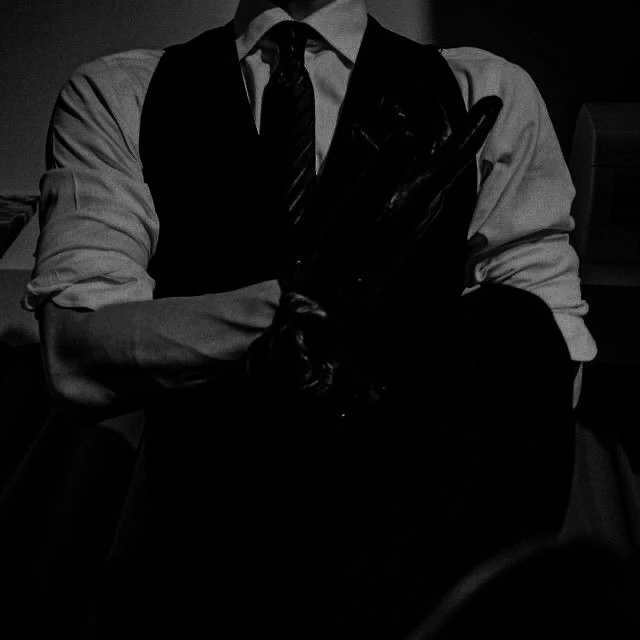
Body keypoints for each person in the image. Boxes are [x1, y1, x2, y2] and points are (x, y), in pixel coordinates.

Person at [23, 0, 597, 637]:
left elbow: (541, 367)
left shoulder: (485, 89)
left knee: (515, 325)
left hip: (416, 528)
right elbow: (75, 354)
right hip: (213, 539)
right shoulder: (120, 92)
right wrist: (294, 305)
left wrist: (375, 339)